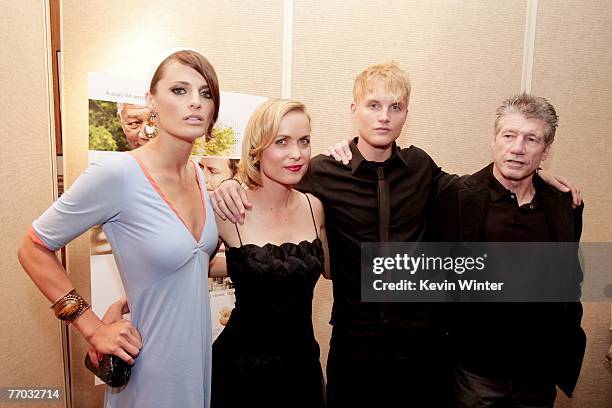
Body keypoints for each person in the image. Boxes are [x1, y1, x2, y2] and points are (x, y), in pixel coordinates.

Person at [213, 63, 582, 407]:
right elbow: (271, 180)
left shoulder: (421, 167)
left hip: (422, 348)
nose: (384, 116)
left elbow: (475, 187)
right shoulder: (321, 172)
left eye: (396, 107)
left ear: (407, 114)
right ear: (353, 109)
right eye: (373, 105)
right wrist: (233, 182)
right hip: (354, 348)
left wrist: (533, 174)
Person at [17, 49, 220, 407]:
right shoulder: (118, 175)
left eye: (205, 93)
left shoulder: (200, 178)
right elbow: (32, 248)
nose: (195, 103)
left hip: (196, 363)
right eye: (179, 90)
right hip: (150, 371)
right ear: (150, 100)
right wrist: (92, 327)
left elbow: (185, 264)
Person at [430, 93, 585, 408]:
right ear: (494, 139)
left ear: (545, 150)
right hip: (476, 374)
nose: (517, 148)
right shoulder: (456, 197)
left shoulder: (564, 205)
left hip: (538, 376)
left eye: (531, 139)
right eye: (509, 135)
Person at [211, 98, 329, 408]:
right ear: (257, 149)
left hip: (302, 368)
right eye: (282, 142)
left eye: (304, 141)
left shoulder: (314, 207)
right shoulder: (227, 210)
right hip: (241, 373)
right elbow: (187, 266)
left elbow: (332, 268)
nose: (297, 154)